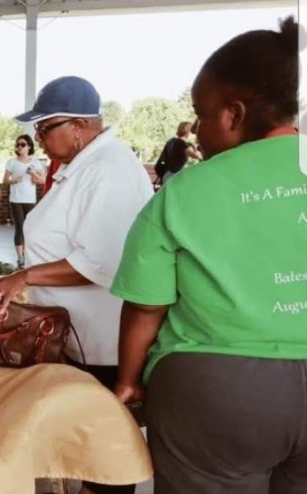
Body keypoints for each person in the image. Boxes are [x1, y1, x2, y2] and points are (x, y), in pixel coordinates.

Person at [112, 17, 306, 494]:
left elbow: (147, 306)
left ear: (234, 114)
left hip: (218, 397)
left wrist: (129, 381)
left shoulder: (183, 192)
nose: (196, 130)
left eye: (202, 114)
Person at [0, 77, 154, 494]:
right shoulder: (84, 165)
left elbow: (99, 261)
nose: (38, 138)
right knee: (86, 449)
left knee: (107, 458)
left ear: (79, 125)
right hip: (78, 336)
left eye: (45, 127)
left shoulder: (109, 170)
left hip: (105, 343)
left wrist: (24, 276)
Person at [3, 134, 43, 268]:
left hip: (30, 200)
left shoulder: (35, 162)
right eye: (18, 144)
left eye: (22, 144)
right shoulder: (11, 162)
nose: (19, 147)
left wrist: (33, 174)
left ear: (29, 146)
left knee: (30, 228)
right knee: (19, 228)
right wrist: (14, 180)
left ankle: (29, 256)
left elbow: (42, 180)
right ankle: (20, 258)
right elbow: (4, 181)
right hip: (16, 200)